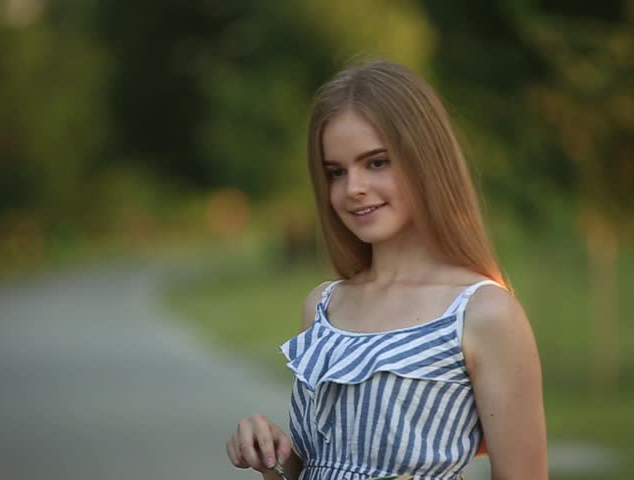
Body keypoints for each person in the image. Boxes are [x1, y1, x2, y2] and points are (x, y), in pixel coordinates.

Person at [225, 59, 547, 480]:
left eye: (376, 162)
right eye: (336, 172)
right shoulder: (323, 306)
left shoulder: (483, 313)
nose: (353, 188)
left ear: (425, 160)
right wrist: (272, 455)